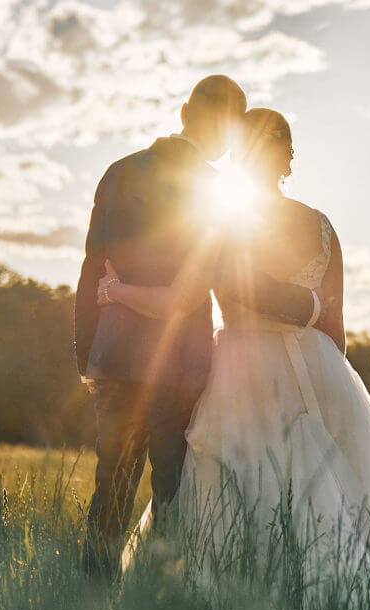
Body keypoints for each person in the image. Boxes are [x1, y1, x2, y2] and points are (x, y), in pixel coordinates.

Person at [97, 108, 370, 610]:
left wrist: (117, 290)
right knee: (343, 486)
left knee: (239, 482)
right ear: (287, 161)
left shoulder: (221, 227)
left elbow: (190, 299)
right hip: (320, 366)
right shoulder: (321, 226)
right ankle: (351, 597)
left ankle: (231, 606)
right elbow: (336, 328)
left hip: (243, 368)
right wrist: (328, 380)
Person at [73, 77, 325, 577]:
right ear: (231, 136)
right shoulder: (217, 194)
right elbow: (228, 279)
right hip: (181, 366)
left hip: (117, 358)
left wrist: (87, 357)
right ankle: (160, 600)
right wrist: (310, 305)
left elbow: (90, 268)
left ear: (185, 109)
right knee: (174, 491)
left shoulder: (119, 172)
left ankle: (93, 603)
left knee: (113, 485)